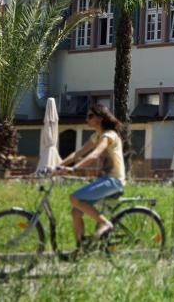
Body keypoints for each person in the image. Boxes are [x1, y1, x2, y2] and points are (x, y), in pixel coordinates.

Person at [58, 104, 127, 247]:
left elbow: (95, 155)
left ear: (100, 118)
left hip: (114, 180)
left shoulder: (109, 135)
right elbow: (77, 154)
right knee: (76, 213)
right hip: (104, 179)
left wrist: (75, 168)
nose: (86, 119)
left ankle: (105, 223)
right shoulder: (97, 136)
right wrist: (57, 167)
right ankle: (81, 248)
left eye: (90, 116)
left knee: (74, 197)